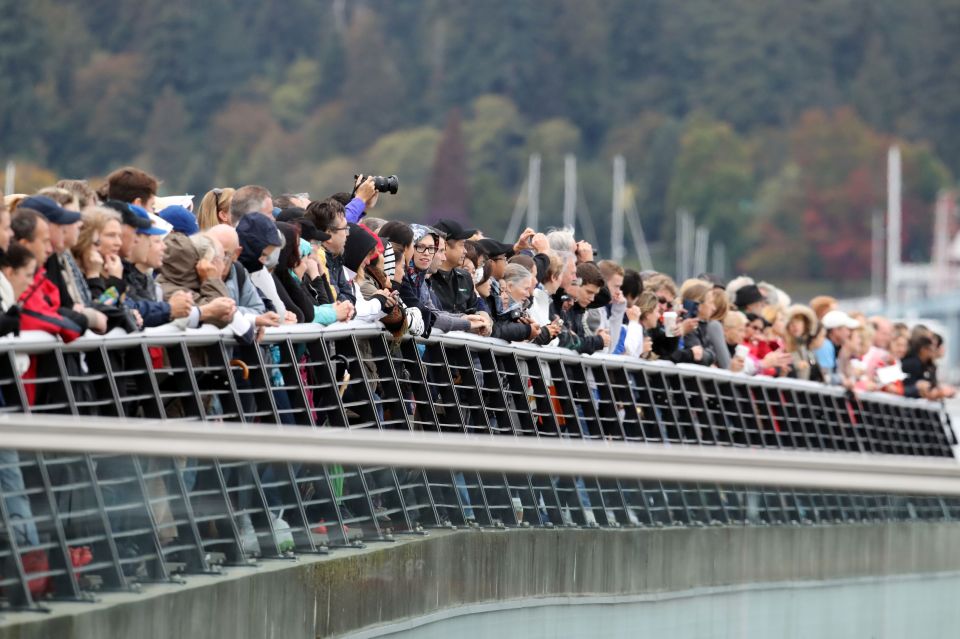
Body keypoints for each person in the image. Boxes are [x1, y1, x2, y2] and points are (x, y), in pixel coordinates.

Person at [815, 310, 860, 386]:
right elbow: (826, 375)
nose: (849, 333)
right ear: (836, 330)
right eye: (847, 329)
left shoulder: (834, 347)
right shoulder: (825, 345)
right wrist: (842, 380)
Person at [783, 305, 822, 381]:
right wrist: (796, 366)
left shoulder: (805, 346)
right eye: (791, 322)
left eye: (798, 321)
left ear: (805, 324)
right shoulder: (784, 345)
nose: (795, 325)